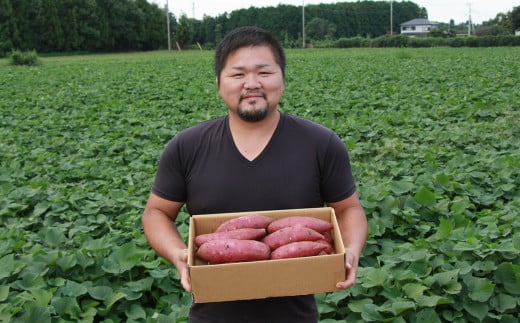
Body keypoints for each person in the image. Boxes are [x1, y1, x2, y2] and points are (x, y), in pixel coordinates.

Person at [142, 26, 368, 323]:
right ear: (219, 83)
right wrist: (178, 254)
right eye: (237, 74)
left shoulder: (321, 144)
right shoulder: (186, 147)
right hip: (211, 316)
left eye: (264, 72)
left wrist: (350, 250)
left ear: (283, 80)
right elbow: (156, 213)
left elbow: (348, 208)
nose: (251, 83)